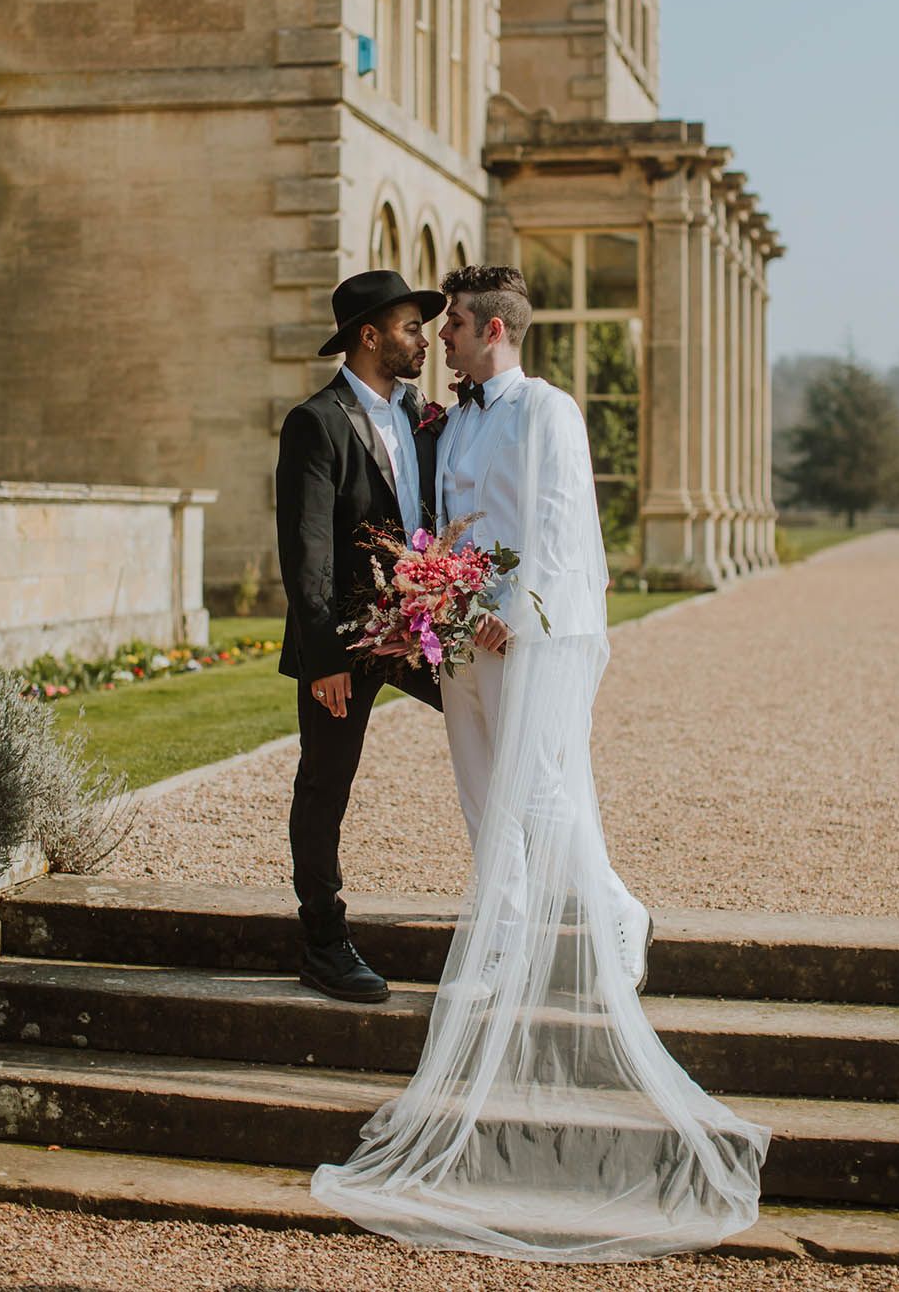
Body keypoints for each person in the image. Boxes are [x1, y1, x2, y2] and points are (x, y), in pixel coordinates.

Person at [312, 266, 769, 1260]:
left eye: (454, 327)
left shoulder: (547, 411)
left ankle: (614, 912)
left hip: (527, 635)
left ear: (489, 330)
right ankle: (508, 925)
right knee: (481, 790)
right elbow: (444, 521)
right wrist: (437, 601)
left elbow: (561, 530)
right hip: (458, 630)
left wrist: (519, 618)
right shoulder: (454, 419)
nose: (441, 340)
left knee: (543, 786)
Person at [276, 270, 446, 1004]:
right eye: (412, 328)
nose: (426, 339)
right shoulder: (315, 422)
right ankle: (324, 941)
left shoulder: (420, 413)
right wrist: (324, 660)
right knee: (324, 785)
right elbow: (305, 549)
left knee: (501, 721)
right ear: (370, 336)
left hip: (422, 628)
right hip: (345, 641)